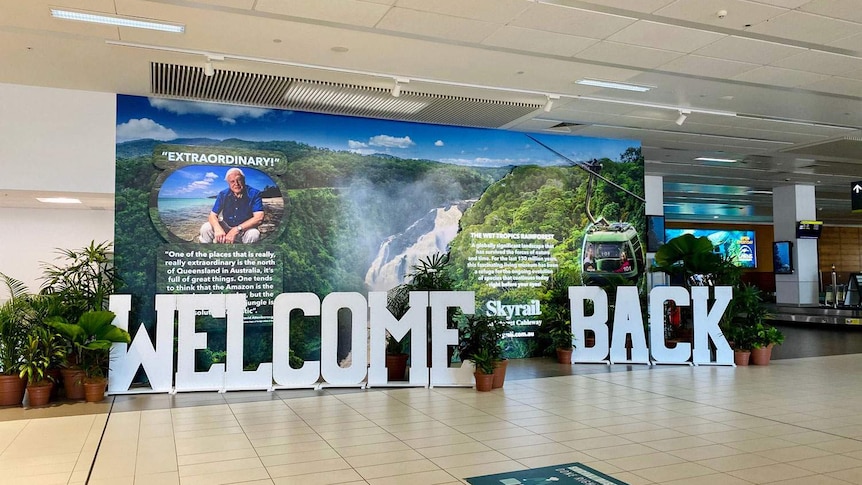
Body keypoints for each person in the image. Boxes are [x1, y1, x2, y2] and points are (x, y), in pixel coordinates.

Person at [200, 168, 264, 244]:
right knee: (206, 227)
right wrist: (218, 229)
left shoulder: (254, 193)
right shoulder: (223, 194)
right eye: (232, 181)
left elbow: (259, 218)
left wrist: (237, 229)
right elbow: (212, 215)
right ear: (228, 183)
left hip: (244, 229)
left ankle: (245, 253)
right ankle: (206, 252)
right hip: (226, 226)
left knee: (254, 234)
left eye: (239, 180)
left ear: (244, 180)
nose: (236, 183)